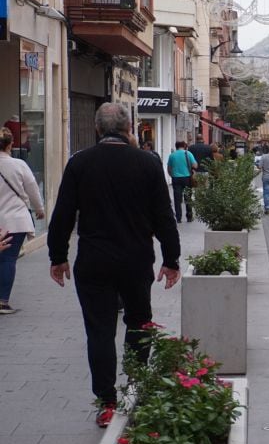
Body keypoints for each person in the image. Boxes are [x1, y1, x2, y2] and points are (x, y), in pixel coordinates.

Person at [47, 103, 181, 427]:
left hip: (93, 263)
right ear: (128, 127)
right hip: (136, 261)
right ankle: (135, 390)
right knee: (138, 323)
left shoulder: (80, 163)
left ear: (97, 129)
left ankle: (106, 403)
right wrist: (171, 259)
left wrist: (58, 256)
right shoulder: (148, 164)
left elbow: (63, 214)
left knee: (99, 331)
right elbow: (164, 216)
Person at [0, 127, 46, 314]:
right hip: (15, 221)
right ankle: (2, 300)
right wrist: (39, 209)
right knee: (8, 259)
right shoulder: (18, 165)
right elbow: (32, 188)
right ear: (11, 144)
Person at [166, 141, 198, 222]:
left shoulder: (172, 155)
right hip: (187, 178)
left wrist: (172, 175)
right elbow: (195, 165)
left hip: (176, 178)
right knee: (188, 198)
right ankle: (189, 216)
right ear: (184, 146)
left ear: (176, 146)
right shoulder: (188, 153)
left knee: (177, 199)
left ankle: (178, 217)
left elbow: (169, 168)